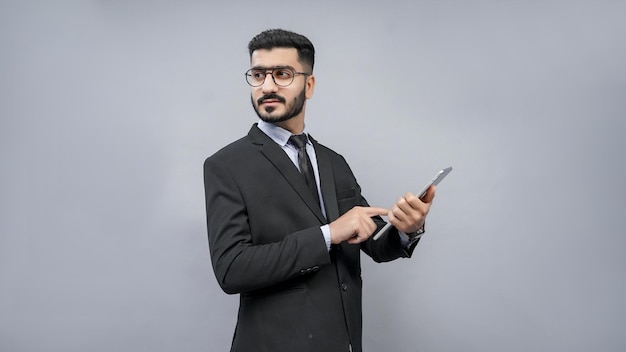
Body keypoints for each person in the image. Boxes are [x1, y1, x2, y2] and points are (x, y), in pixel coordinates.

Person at [203, 28, 436, 352]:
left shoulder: (334, 162)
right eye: (258, 74)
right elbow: (231, 268)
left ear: (308, 84)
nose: (267, 86)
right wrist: (327, 234)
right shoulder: (225, 165)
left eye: (282, 74)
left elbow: (375, 244)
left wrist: (407, 230)